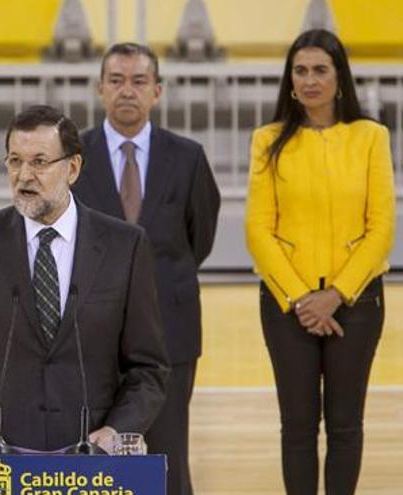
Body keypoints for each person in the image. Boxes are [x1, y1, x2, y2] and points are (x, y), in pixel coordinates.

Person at [0, 104, 169, 454]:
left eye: (39, 162)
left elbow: (149, 367)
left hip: (92, 459)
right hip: (1, 459)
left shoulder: (125, 245)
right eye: (14, 161)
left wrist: (116, 430)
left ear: (73, 167)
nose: (24, 175)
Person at [245, 29, 394, 495]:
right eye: (301, 70)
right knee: (298, 427)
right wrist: (302, 298)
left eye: (320, 70)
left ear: (339, 77)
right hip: (288, 306)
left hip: (356, 303)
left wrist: (335, 295)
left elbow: (381, 227)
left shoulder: (371, 137)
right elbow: (258, 229)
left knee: (346, 425)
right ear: (290, 80)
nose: (310, 80)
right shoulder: (267, 141)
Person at [73, 42, 219, 495]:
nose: (127, 91)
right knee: (93, 458)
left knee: (167, 456)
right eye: (116, 80)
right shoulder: (72, 154)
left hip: (170, 332)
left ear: (157, 91)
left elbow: (200, 237)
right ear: (100, 90)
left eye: (138, 81)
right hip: (87, 336)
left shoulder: (188, 157)